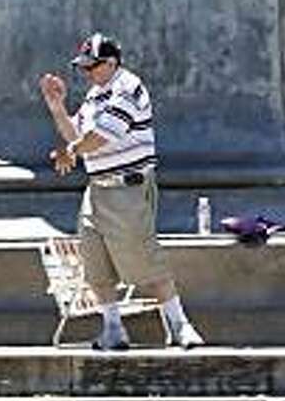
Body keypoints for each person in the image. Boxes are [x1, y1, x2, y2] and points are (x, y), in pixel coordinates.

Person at [38, 31, 204, 350]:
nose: (87, 73)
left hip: (127, 187)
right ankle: (113, 329)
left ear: (111, 63)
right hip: (97, 190)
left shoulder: (128, 87)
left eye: (92, 66)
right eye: (83, 68)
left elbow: (104, 135)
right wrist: (57, 108)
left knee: (143, 258)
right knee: (95, 264)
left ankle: (180, 324)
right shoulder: (94, 96)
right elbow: (80, 135)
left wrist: (71, 150)